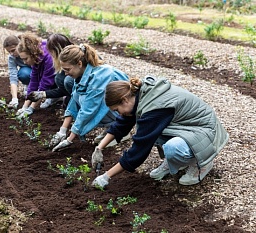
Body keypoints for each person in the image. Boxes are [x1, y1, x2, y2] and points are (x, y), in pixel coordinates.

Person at [91, 76, 229, 188]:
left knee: (170, 147)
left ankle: (200, 163)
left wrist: (106, 176)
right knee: (153, 132)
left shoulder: (154, 108)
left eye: (116, 110)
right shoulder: (140, 94)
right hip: (184, 127)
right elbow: (123, 123)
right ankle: (175, 162)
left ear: (124, 100)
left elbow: (139, 149)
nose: (118, 114)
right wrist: (99, 148)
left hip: (204, 130)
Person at [50, 43, 129, 152]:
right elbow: (74, 100)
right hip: (110, 106)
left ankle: (121, 129)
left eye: (68, 69)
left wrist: (69, 139)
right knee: (79, 97)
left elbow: (89, 109)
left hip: (125, 110)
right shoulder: (83, 73)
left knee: (88, 103)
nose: (66, 73)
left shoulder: (101, 76)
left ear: (79, 63)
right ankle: (111, 127)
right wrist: (62, 130)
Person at [27, 33, 74, 109]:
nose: (50, 55)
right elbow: (62, 90)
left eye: (51, 52)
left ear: (57, 50)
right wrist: (43, 94)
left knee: (61, 79)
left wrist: (32, 107)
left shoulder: (73, 61)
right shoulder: (67, 58)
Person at [15, 32, 56, 118]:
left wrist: (31, 108)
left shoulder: (48, 58)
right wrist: (24, 107)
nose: (24, 62)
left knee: (55, 80)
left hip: (63, 77)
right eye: (22, 59)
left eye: (25, 59)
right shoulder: (37, 57)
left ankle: (57, 97)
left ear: (32, 54)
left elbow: (45, 84)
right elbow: (34, 81)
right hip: (50, 76)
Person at [3, 35, 32, 109]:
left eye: (13, 50)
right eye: (9, 52)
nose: (11, 54)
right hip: (28, 71)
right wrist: (14, 99)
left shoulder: (31, 50)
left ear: (20, 45)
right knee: (23, 74)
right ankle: (28, 86)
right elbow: (13, 76)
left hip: (38, 70)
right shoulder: (12, 58)